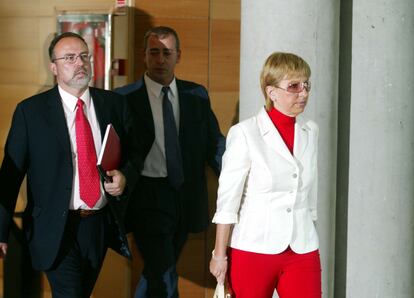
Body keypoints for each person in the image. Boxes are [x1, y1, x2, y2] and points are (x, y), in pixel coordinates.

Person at [0, 32, 140, 298]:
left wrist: (125, 176)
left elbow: (135, 152)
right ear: (53, 67)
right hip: (54, 226)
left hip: (97, 225)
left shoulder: (114, 104)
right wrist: (0, 231)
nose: (80, 63)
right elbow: (10, 176)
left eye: (84, 56)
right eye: (70, 58)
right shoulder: (31, 112)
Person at [115, 26, 225, 297]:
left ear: (178, 55)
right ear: (144, 56)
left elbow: (214, 144)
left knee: (160, 270)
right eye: (154, 52)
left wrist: (237, 181)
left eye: (167, 53)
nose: (160, 60)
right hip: (147, 197)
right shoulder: (124, 99)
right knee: (163, 270)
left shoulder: (196, 95)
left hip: (185, 194)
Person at [210, 52, 321, 298]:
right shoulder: (245, 133)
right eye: (294, 86)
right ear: (271, 92)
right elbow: (228, 201)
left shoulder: (310, 131)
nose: (303, 92)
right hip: (253, 249)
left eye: (306, 84)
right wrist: (219, 255)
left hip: (303, 248)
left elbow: (309, 195)